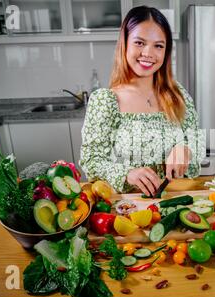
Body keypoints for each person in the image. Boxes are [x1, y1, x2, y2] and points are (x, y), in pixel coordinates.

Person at [80, 6, 205, 196]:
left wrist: (185, 149)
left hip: (175, 200)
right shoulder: (105, 100)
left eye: (158, 45)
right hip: (126, 208)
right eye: (140, 42)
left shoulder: (178, 94)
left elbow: (197, 143)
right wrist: (127, 173)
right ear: (125, 44)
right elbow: (91, 162)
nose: (148, 53)